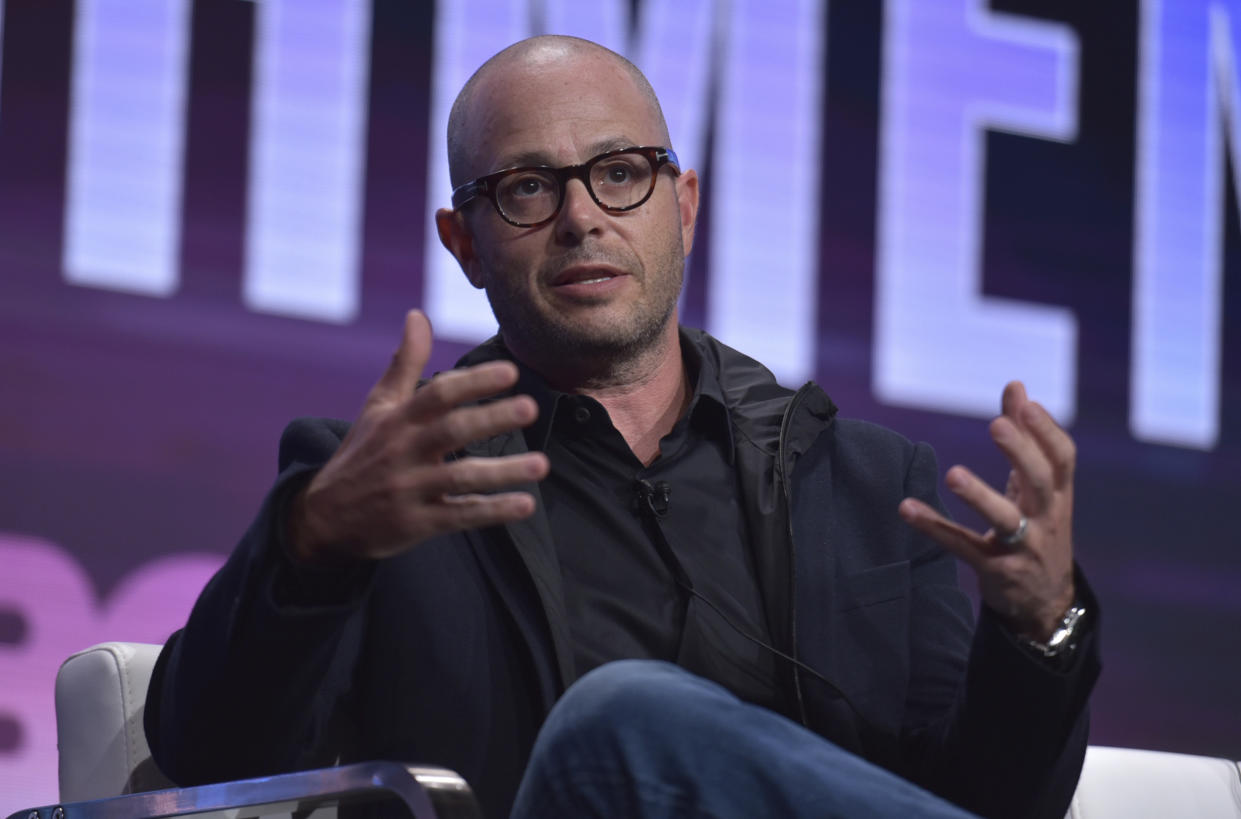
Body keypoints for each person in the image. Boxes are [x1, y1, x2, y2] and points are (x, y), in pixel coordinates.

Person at [144, 35, 1099, 819]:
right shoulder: (382, 482)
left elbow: (988, 802)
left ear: (681, 207)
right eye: (525, 186)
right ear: (463, 242)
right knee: (624, 717)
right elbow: (213, 760)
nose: (579, 219)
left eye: (619, 173)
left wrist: (1036, 631)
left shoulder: (867, 483)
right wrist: (311, 545)